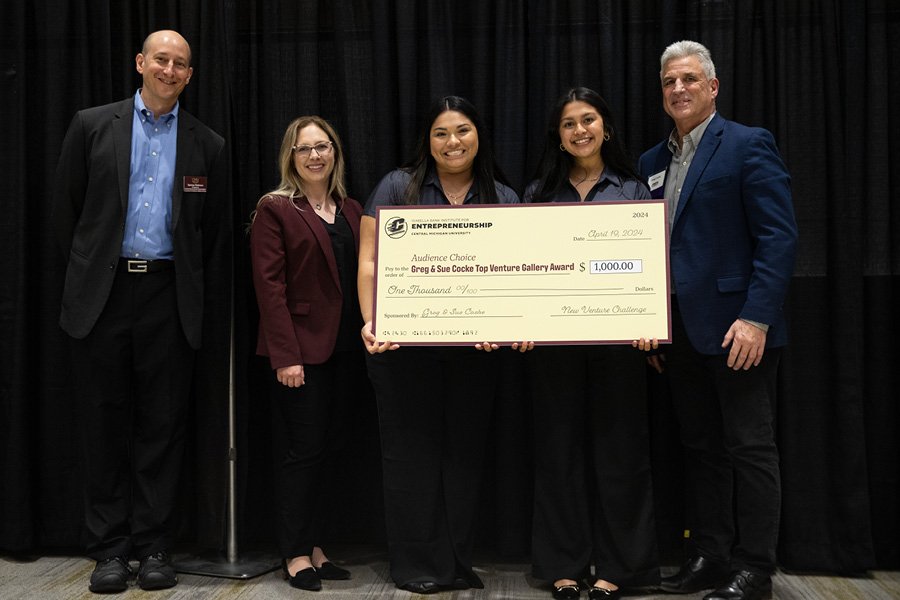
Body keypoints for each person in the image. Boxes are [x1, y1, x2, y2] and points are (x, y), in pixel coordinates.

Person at [50, 30, 228, 593]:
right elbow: (66, 214)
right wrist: (90, 271)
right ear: (140, 63)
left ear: (189, 75)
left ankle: (154, 546)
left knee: (161, 428)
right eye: (161, 59)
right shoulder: (90, 125)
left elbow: (213, 234)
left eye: (180, 64)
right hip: (101, 297)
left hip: (169, 298)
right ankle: (109, 550)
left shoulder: (209, 145)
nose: (169, 70)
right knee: (101, 426)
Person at [638, 41, 798, 600]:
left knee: (749, 448)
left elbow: (778, 237)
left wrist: (757, 318)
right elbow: (650, 251)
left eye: (688, 79)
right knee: (700, 448)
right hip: (679, 331)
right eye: (668, 82)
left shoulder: (749, 144)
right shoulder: (650, 163)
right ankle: (710, 555)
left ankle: (755, 568)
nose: (678, 89)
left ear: (713, 86)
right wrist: (653, 323)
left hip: (739, 332)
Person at [358, 95, 521, 594]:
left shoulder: (505, 198)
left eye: (463, 130)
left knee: (463, 458)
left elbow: (516, 274)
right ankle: (415, 568)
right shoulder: (395, 186)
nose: (453, 142)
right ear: (427, 141)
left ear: (479, 135)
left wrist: (508, 321)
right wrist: (372, 321)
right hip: (403, 352)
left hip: (477, 355)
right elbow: (369, 261)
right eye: (442, 133)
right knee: (409, 458)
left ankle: (455, 562)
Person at [524, 87, 661, 600]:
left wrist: (651, 319)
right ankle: (564, 564)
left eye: (588, 120)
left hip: (619, 347)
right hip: (554, 349)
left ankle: (620, 568)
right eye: (568, 124)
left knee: (621, 454)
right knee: (558, 453)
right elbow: (528, 273)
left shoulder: (633, 192)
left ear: (605, 126)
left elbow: (652, 270)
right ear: (557, 137)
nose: (580, 130)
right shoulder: (539, 193)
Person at [249, 116, 362, 591]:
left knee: (332, 452)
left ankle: (317, 547)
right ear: (290, 157)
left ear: (335, 151)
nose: (315, 156)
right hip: (300, 355)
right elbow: (269, 289)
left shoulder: (352, 209)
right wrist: (285, 356)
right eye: (304, 149)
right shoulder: (275, 208)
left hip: (348, 350)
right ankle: (294, 553)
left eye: (323, 146)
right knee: (303, 454)